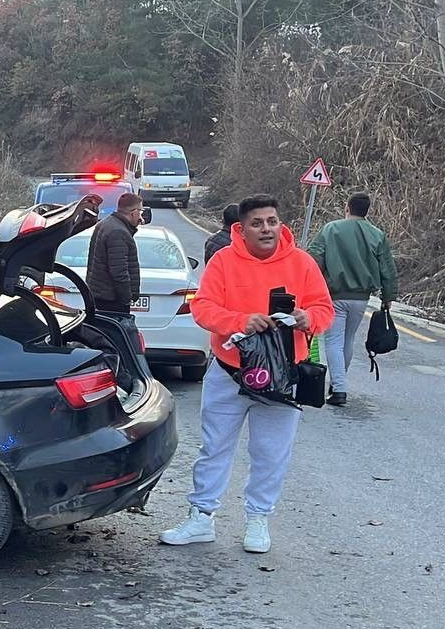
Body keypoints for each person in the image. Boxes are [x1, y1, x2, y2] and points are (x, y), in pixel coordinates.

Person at [158, 195, 333, 554]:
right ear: (242, 228)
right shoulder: (224, 261)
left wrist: (307, 318)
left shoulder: (302, 263)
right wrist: (241, 321)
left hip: (283, 377)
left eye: (272, 221)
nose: (266, 229)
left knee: (271, 453)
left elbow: (324, 309)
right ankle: (201, 517)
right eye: (257, 223)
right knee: (214, 447)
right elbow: (203, 308)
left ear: (280, 224)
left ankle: (258, 519)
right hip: (230, 371)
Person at [306, 192, 398, 406]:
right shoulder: (377, 234)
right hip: (361, 298)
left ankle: (339, 389)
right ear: (367, 210)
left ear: (347, 207)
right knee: (347, 340)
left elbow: (313, 259)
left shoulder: (330, 229)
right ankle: (337, 384)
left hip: (334, 295)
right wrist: (388, 296)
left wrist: (308, 287)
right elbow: (388, 269)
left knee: (334, 341)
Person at [86, 192, 143, 314]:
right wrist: (126, 299)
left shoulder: (105, 224)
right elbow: (119, 272)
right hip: (112, 300)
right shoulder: (119, 232)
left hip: (101, 295)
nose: (141, 217)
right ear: (134, 212)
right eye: (140, 211)